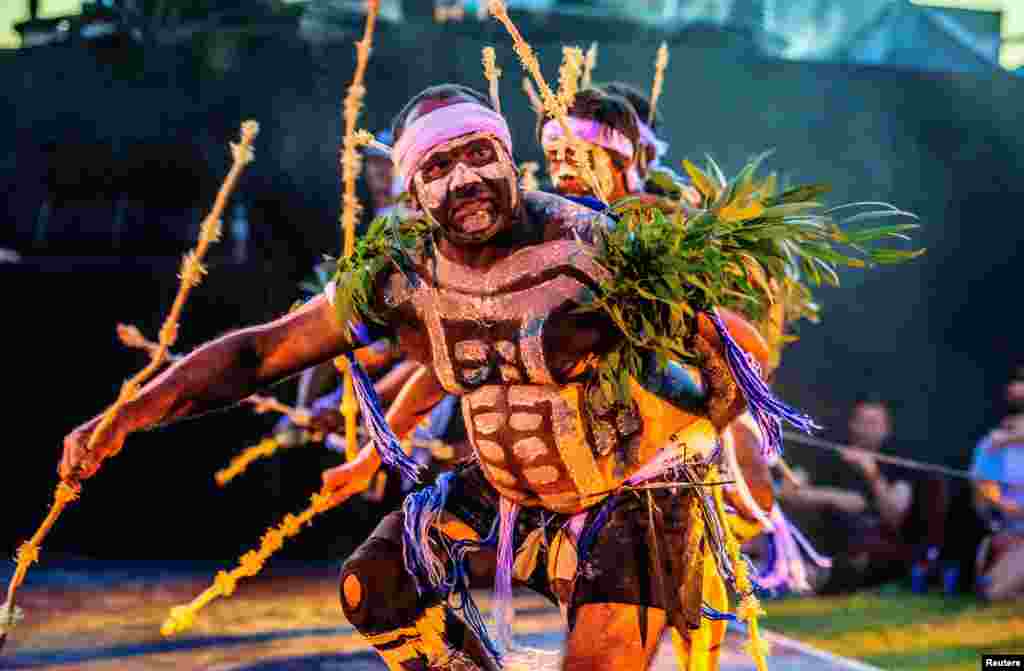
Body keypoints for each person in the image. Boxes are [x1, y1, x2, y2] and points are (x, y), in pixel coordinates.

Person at [60, 82, 905, 671]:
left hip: (631, 501)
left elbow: (738, 350)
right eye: (438, 165)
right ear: (412, 187)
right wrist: (127, 416)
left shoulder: (597, 241)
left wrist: (669, 354)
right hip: (508, 494)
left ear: (508, 158)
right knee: (371, 587)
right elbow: (257, 353)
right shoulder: (397, 276)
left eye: (480, 155)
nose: (465, 178)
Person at [818, 397, 948, 593]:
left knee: (863, 549)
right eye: (862, 422)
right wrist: (835, 497)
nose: (866, 429)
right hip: (830, 544)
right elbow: (793, 493)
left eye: (874, 423)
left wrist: (872, 473)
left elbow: (894, 513)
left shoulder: (897, 460)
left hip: (882, 550)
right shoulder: (833, 456)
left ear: (886, 428)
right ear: (852, 424)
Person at [971, 373, 1024, 601]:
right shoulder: (990, 446)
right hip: (1008, 532)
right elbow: (982, 491)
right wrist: (1001, 503)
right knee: (993, 589)